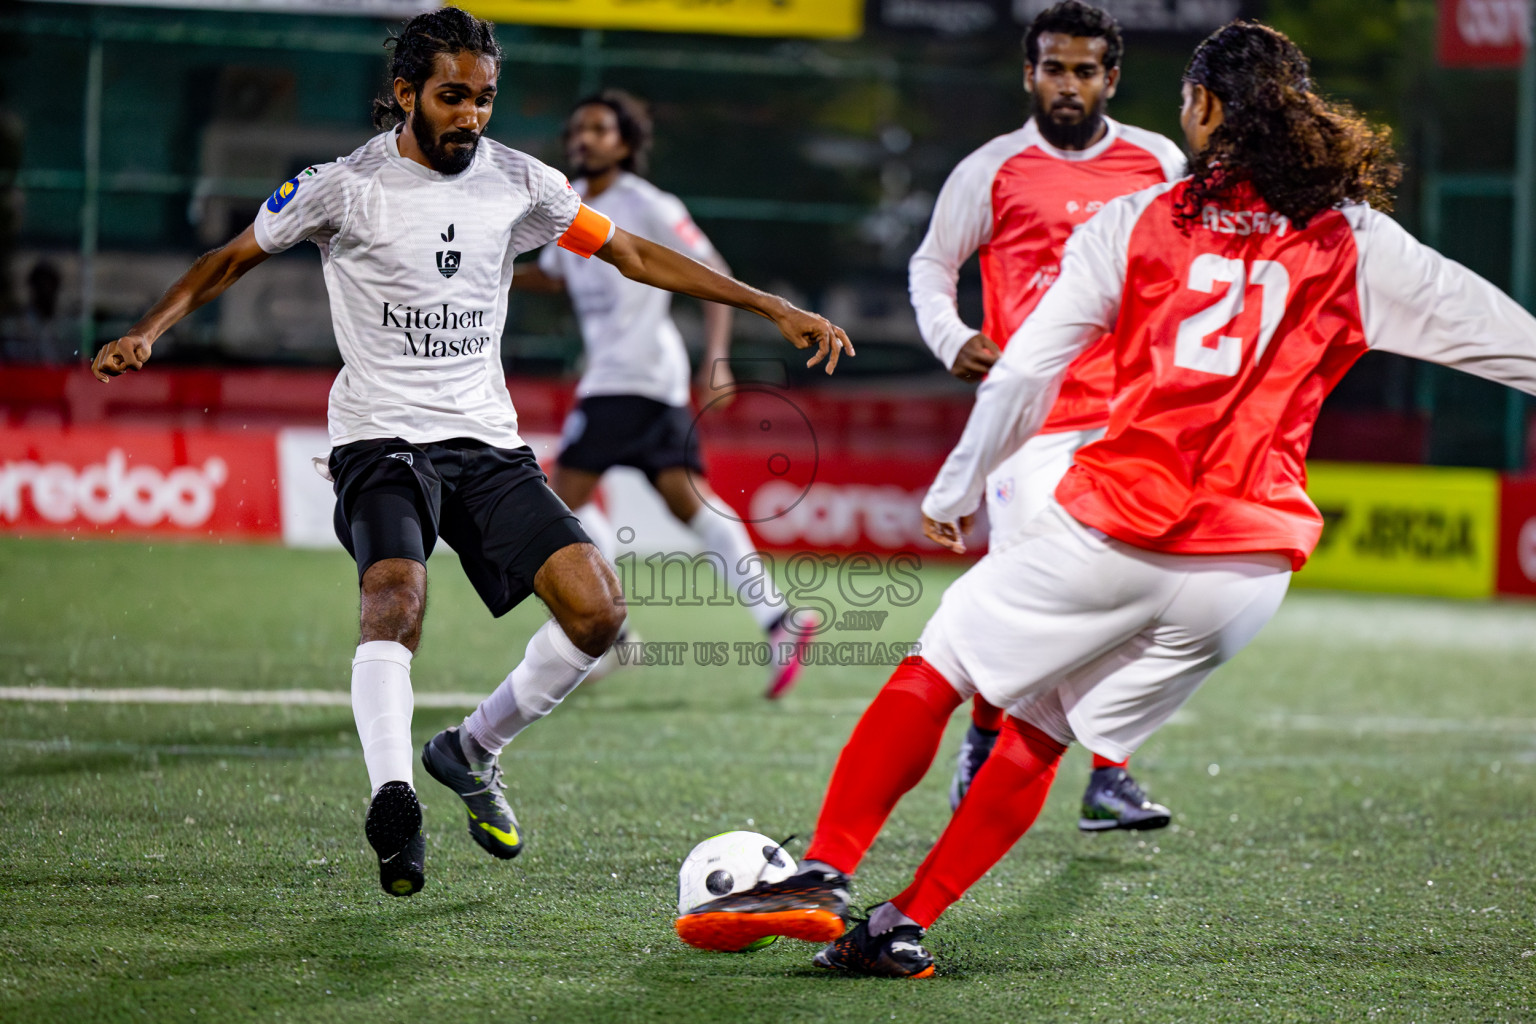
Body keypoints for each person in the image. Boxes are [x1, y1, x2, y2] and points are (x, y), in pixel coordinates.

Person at [677, 20, 1536, 977]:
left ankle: (827, 870)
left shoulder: (1136, 221)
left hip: (1121, 525)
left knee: (943, 659)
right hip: (1246, 577)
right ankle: (901, 923)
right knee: (1044, 727)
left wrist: (956, 487)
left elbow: (1020, 377)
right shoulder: (1359, 241)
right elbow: (1516, 345)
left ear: (1203, 109)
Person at [89, 6, 851, 899]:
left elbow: (636, 255)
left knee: (599, 614)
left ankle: (470, 748)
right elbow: (227, 259)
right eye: (453, 98)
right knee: (395, 596)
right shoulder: (340, 186)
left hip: (486, 444)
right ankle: (394, 801)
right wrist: (149, 331)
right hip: (380, 437)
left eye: (485, 99)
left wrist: (772, 308)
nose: (471, 117)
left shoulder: (522, 183)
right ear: (407, 93)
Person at [909, 0, 1185, 826]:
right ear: (1030, 73)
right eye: (1055, 69)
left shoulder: (1159, 162)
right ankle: (986, 735)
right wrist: (952, 335)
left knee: (1143, 594)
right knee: (1038, 597)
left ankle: (1110, 774)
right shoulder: (991, 168)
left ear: (1112, 78)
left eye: (1086, 70)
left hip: (1132, 421)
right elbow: (932, 264)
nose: (1069, 85)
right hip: (1028, 427)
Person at [512, 90, 810, 698]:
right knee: (688, 503)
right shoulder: (571, 209)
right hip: (629, 379)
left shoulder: (645, 204)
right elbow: (552, 273)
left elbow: (712, 265)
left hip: (634, 376)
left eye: (598, 129)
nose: (584, 139)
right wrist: (484, 267)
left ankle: (606, 627)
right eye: (578, 129)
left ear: (625, 143)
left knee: (554, 504)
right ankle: (778, 619)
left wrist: (719, 356)